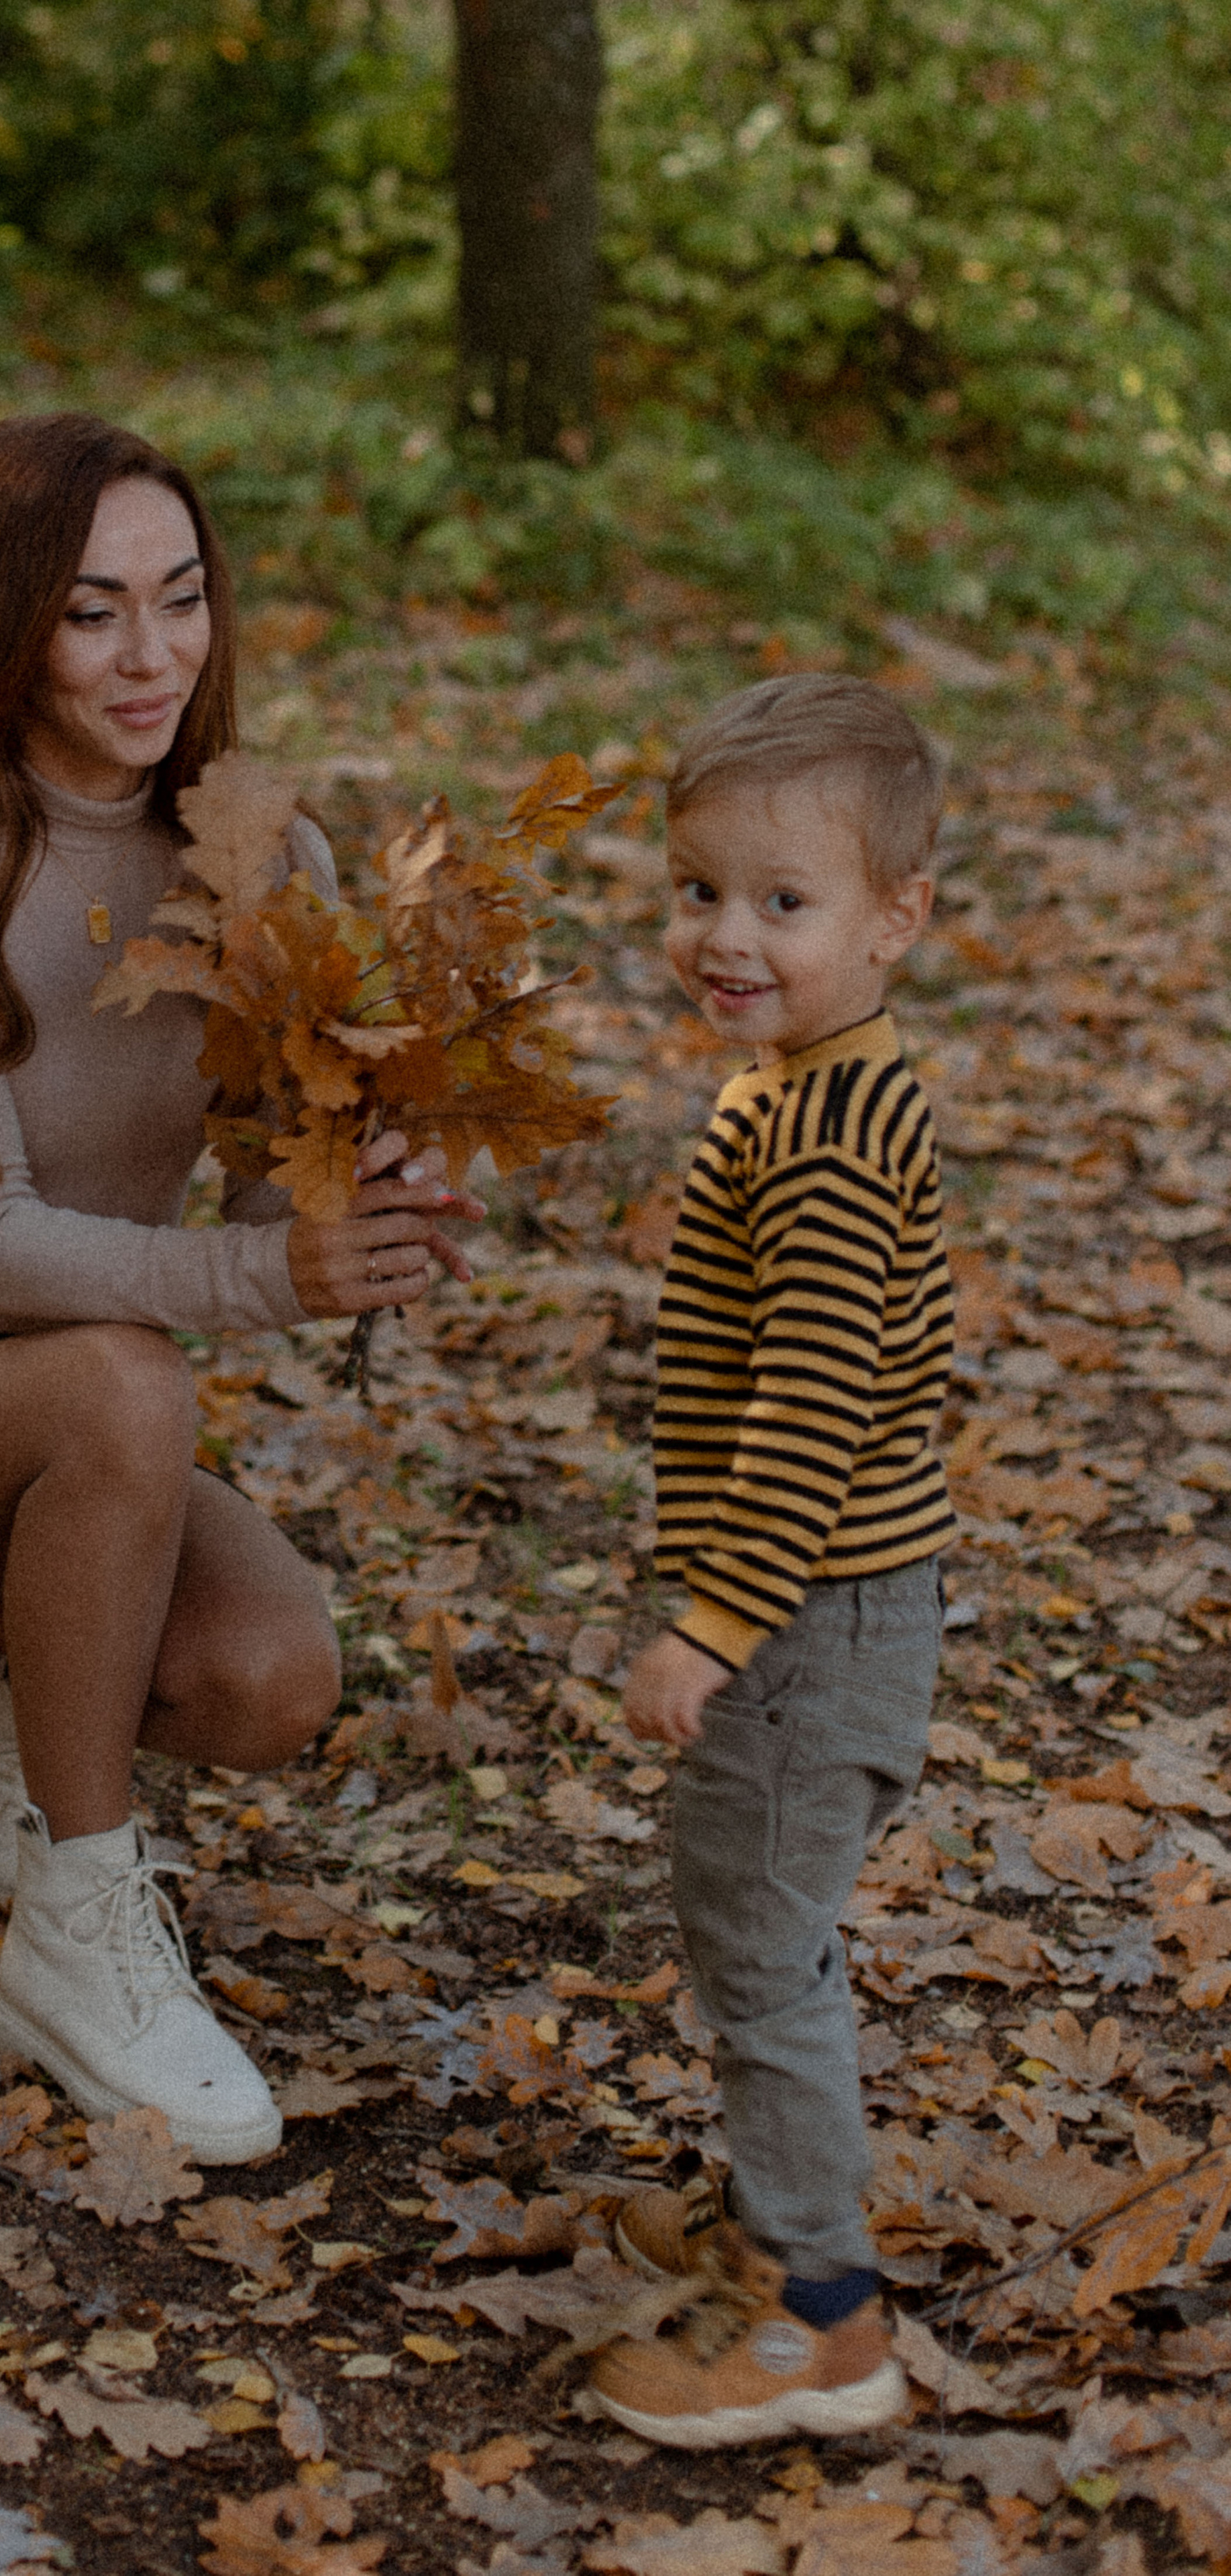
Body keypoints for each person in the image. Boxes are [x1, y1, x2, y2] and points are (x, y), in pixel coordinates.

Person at [0, 413, 479, 2165]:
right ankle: (81, 1932)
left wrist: (385, 1192)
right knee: (127, 1371)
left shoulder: (265, 862)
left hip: (88, 1416)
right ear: (1, 627)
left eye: (182, 600)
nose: (153, 656)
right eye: (92, 613)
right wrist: (266, 1271)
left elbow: (293, 1172)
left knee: (269, 1678)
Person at [589, 674, 955, 2447]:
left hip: (812, 1621)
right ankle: (773, 2219)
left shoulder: (822, 1135)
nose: (723, 935)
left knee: (761, 1945)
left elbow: (815, 1408)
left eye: (782, 902)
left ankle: (821, 2309)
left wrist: (716, 1625)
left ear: (900, 918)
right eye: (696, 891)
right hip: (826, 1612)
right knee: (751, 1919)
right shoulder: (817, 1085)